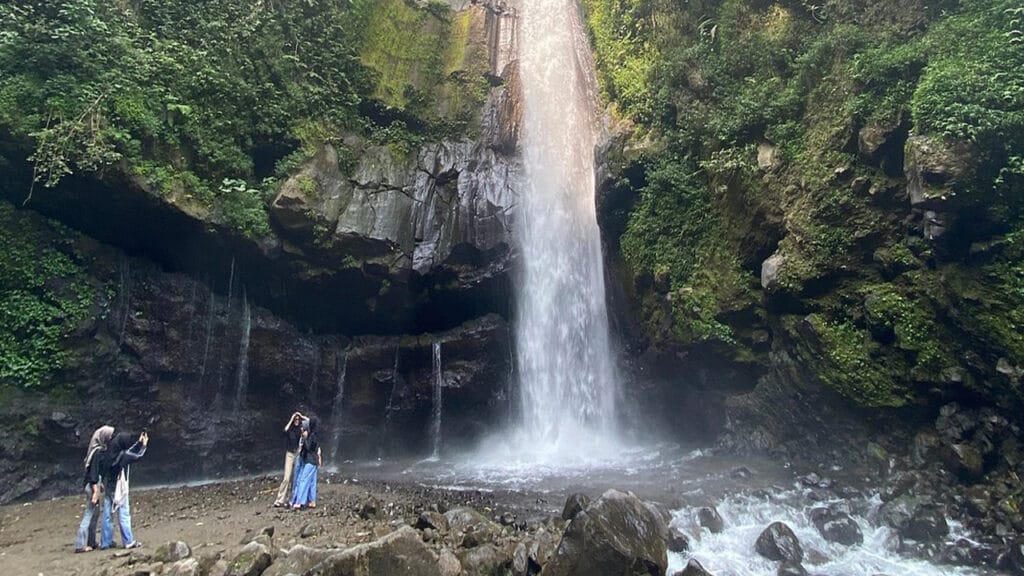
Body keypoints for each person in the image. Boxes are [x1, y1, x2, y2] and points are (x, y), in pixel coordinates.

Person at [99, 431, 148, 549]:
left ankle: (105, 542)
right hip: (119, 489)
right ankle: (128, 541)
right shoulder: (122, 456)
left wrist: (138, 442)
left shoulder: (109, 453)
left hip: (109, 486)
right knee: (124, 513)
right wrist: (144, 445)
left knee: (107, 515)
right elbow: (137, 456)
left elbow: (129, 451)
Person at [74, 425, 114, 552]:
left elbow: (95, 473)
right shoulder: (97, 452)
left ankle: (91, 542)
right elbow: (93, 474)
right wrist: (96, 491)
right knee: (89, 514)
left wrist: (99, 483)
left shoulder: (96, 450)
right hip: (92, 486)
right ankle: (80, 545)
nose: (111, 438)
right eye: (109, 436)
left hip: (93, 484)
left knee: (95, 514)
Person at [274, 411, 307, 508]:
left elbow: (310, 422)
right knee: (287, 477)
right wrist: (292, 418)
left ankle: (293, 499)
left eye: (298, 419)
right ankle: (280, 499)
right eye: (295, 419)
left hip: (297, 453)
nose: (297, 421)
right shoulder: (290, 429)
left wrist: (301, 416)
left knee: (296, 477)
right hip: (289, 454)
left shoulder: (301, 429)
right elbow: (285, 430)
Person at [291, 416, 321, 510]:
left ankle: (300, 502)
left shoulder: (312, 436)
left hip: (311, 460)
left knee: (303, 480)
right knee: (312, 481)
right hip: (312, 460)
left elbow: (309, 448)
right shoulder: (314, 434)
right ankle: (312, 501)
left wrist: (305, 438)